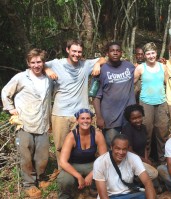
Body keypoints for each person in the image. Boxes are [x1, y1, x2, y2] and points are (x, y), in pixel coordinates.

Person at [44, 39, 105, 169]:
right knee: (60, 146)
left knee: (82, 144)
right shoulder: (56, 64)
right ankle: (63, 173)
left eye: (79, 52)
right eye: (74, 51)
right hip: (61, 113)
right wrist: (46, 69)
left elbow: (103, 58)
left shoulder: (85, 64)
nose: (77, 54)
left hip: (80, 113)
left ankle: (81, 171)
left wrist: (97, 65)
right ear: (67, 50)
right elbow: (37, 63)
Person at [1, 48, 52, 198]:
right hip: (24, 123)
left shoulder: (48, 78)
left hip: (42, 123)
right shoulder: (21, 78)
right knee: (26, 156)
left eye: (39, 62)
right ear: (28, 63)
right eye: (33, 62)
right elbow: (5, 92)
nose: (36, 65)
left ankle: (41, 178)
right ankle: (28, 184)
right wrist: (10, 109)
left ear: (43, 63)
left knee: (42, 156)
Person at [93, 42, 136, 148]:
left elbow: (143, 69)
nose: (115, 53)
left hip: (128, 117)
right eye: (112, 51)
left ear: (121, 53)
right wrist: (99, 117)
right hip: (110, 119)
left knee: (127, 147)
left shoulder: (129, 66)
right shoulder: (101, 71)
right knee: (112, 147)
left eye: (118, 51)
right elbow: (96, 97)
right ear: (107, 53)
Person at [57, 108, 107, 199]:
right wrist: (79, 176)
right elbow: (63, 162)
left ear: (91, 120)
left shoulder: (97, 135)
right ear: (77, 120)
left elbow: (104, 159)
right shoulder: (71, 137)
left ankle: (97, 193)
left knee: (105, 173)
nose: (85, 121)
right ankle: (65, 196)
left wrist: (92, 174)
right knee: (65, 180)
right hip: (74, 165)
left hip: (91, 164)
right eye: (82, 118)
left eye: (88, 118)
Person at [134, 42, 169, 164]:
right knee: (147, 132)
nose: (151, 56)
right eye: (148, 54)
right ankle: (146, 160)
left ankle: (162, 160)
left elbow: (168, 83)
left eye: (153, 53)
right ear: (144, 55)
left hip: (161, 102)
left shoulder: (163, 67)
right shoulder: (140, 68)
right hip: (146, 103)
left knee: (162, 132)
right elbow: (131, 84)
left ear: (157, 53)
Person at [93, 134, 156, 199]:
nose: (121, 152)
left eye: (124, 149)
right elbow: (103, 195)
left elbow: (148, 182)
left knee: (149, 194)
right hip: (111, 196)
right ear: (111, 147)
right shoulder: (100, 162)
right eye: (117, 149)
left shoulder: (134, 158)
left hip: (129, 194)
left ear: (128, 149)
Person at [121, 104, 158, 180]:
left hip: (141, 160)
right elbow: (129, 151)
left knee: (155, 171)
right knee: (154, 174)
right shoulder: (127, 129)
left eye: (139, 117)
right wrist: (145, 161)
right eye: (134, 118)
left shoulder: (143, 128)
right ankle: (134, 181)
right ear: (129, 119)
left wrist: (146, 160)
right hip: (131, 161)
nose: (137, 120)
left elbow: (144, 146)